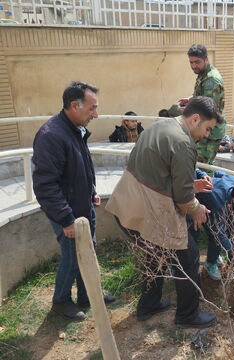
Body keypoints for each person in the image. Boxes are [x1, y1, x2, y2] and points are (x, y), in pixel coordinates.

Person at [106, 97, 223, 327]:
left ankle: (148, 306)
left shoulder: (161, 125)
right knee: (188, 256)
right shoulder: (183, 142)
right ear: (195, 119)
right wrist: (197, 209)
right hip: (150, 210)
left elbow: (159, 172)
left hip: (127, 205)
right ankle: (187, 315)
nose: (207, 135)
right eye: (208, 128)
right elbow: (183, 200)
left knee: (154, 256)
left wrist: (192, 185)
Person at [32, 81, 116, 321]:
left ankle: (87, 294)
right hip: (68, 215)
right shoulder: (51, 136)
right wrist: (66, 219)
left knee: (87, 253)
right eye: (92, 109)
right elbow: (46, 186)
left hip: (83, 207)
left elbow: (80, 166)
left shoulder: (73, 128)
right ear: (73, 105)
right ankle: (60, 301)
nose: (96, 114)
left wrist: (91, 191)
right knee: (72, 259)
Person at [179, 44, 226, 165]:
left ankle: (206, 184)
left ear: (206, 59)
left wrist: (189, 109)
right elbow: (203, 97)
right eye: (191, 62)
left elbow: (208, 109)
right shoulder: (203, 73)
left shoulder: (211, 79)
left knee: (202, 167)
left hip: (208, 131)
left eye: (197, 62)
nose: (194, 66)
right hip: (203, 128)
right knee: (201, 166)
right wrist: (191, 99)